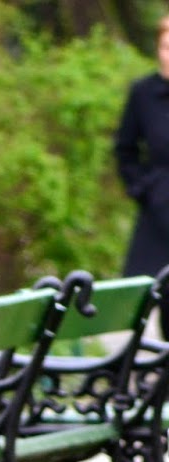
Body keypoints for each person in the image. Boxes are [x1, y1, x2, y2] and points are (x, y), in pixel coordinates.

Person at [114, 15, 169, 277]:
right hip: (157, 208)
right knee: (141, 289)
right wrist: (143, 189)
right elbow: (125, 149)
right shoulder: (143, 93)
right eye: (166, 47)